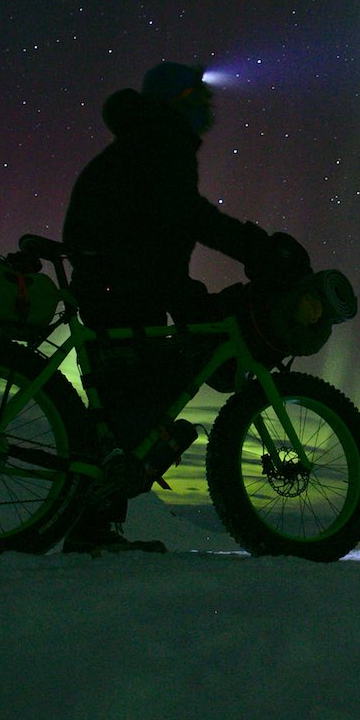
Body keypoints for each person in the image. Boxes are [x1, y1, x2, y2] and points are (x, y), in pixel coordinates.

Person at [60, 61, 311, 554]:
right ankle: (95, 517)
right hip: (123, 284)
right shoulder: (162, 143)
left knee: (125, 402)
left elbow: (161, 229)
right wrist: (255, 250)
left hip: (116, 280)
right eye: (199, 97)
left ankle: (94, 525)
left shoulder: (145, 142)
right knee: (146, 390)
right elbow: (186, 217)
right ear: (177, 101)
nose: (208, 106)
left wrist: (183, 292)